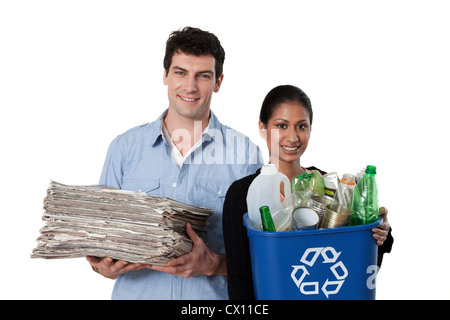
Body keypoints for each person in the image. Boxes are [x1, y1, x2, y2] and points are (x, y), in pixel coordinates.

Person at [87, 27, 263, 300]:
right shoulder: (124, 149)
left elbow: (261, 258)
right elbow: (99, 243)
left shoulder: (245, 156)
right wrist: (101, 266)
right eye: (180, 72)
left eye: (203, 76)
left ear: (218, 82)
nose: (190, 86)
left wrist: (213, 264)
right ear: (166, 75)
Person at [222, 84, 394, 300]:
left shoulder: (329, 186)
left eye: (301, 126)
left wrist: (381, 235)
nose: (292, 137)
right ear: (262, 127)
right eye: (281, 126)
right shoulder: (241, 193)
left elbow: (359, 264)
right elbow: (239, 277)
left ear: (311, 129)